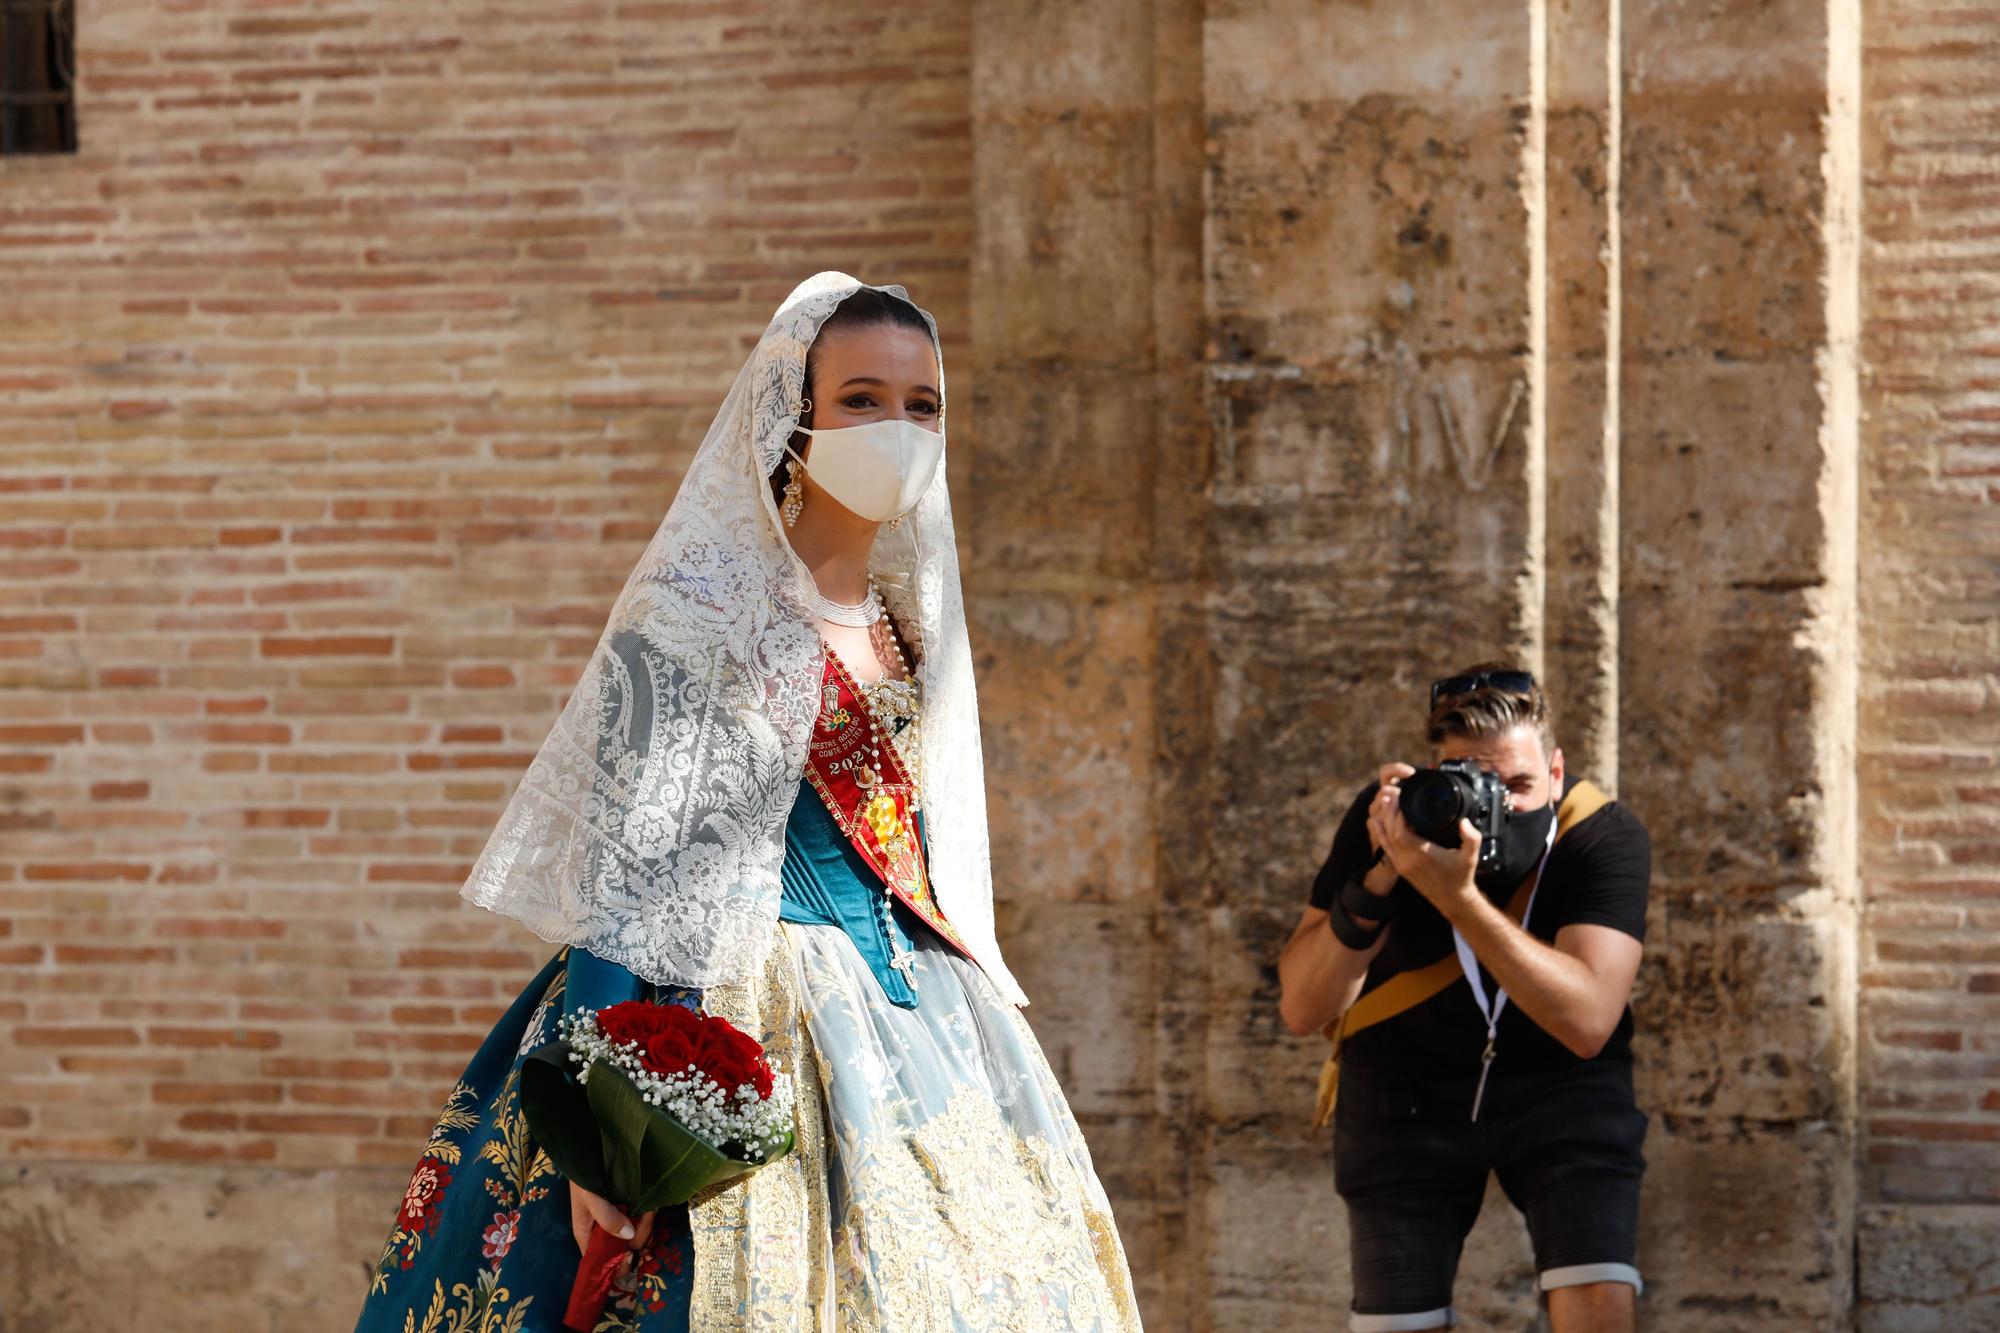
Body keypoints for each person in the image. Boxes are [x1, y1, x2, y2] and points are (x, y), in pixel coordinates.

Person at [352, 274, 1143, 1332]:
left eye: (921, 404)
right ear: (794, 413)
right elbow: (620, 871)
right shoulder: (695, 612)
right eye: (861, 399)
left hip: (930, 1026)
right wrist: (600, 1116)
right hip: (726, 1010)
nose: (896, 428)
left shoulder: (908, 624)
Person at [1277, 667, 1651, 1333]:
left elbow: (1591, 1020)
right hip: (1404, 1089)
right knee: (1400, 1321)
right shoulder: (1391, 821)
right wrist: (1384, 872)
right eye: (1471, 781)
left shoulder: (1599, 835)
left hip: (1561, 1085)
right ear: (1431, 771)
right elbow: (1304, 1008)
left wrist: (1457, 898)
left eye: (1519, 785)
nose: (1498, 806)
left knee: (1597, 1302)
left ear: (1558, 772)